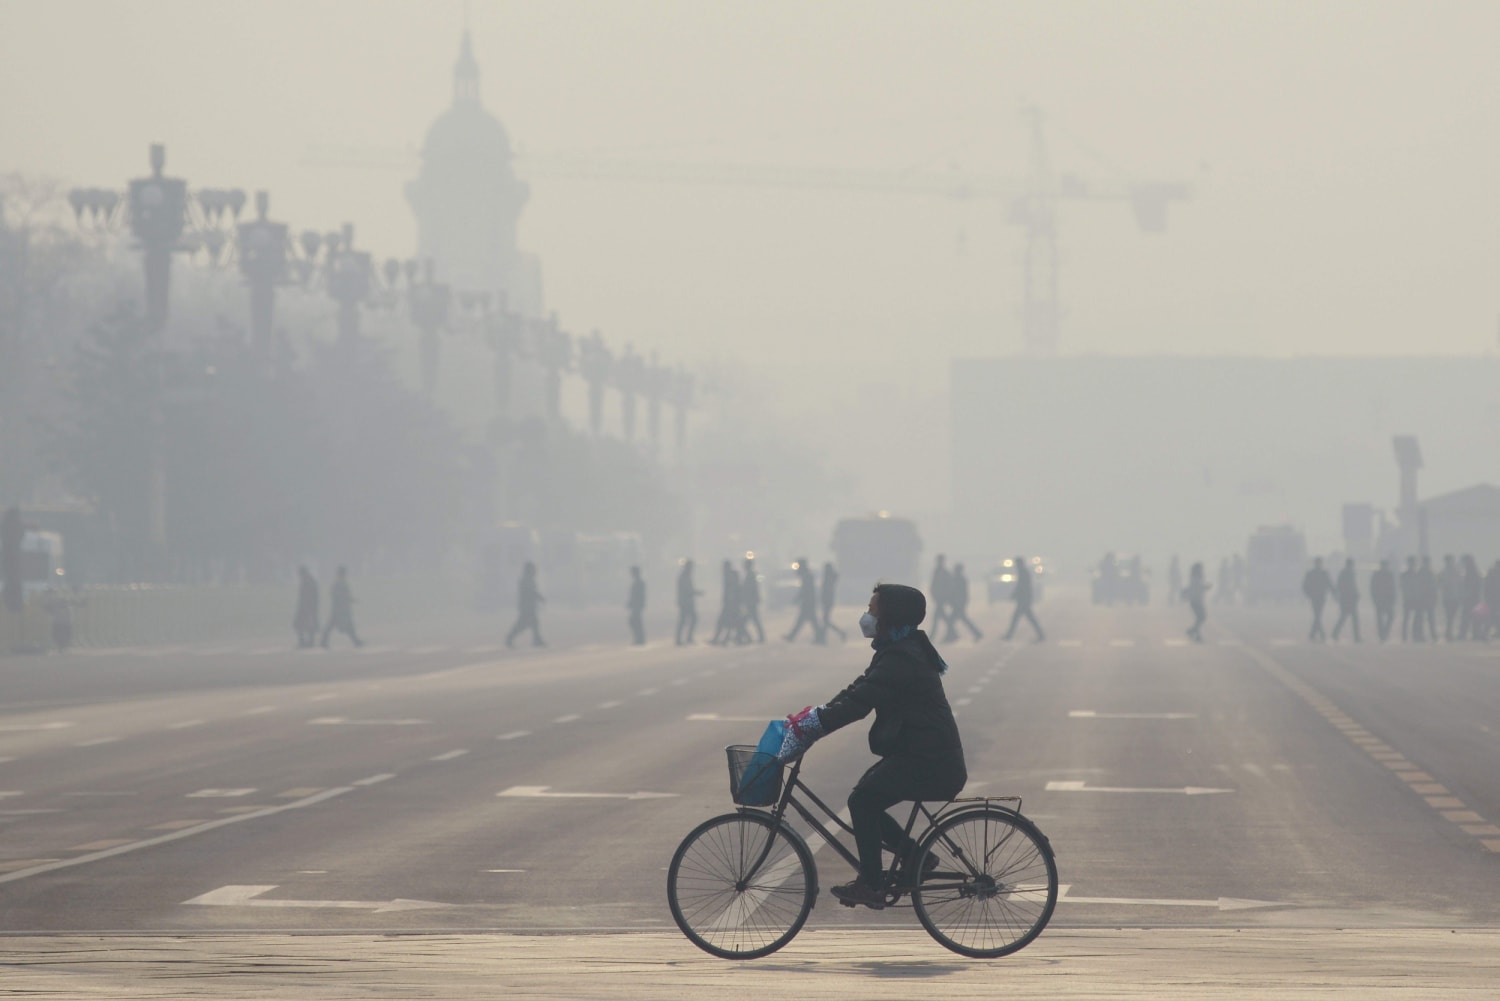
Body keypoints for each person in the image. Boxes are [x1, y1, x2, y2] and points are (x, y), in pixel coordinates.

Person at [774, 583, 966, 909]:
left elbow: (859, 704)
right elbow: (857, 690)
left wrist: (817, 727)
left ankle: (873, 883)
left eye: (873, 610)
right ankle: (916, 856)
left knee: (862, 802)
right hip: (922, 754)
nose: (867, 616)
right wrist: (817, 715)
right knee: (866, 798)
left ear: (889, 617)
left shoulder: (901, 658)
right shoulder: (897, 651)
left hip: (932, 761)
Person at [1002, 555, 1044, 642]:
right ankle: (1040, 634)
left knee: (1017, 618)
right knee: (1029, 618)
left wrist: (1014, 595)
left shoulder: (1023, 573)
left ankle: (1010, 635)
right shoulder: (1024, 572)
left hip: (1023, 600)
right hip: (1024, 599)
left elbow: (1021, 586)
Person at [505, 561, 545, 648]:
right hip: (526, 607)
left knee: (533, 623)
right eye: (533, 569)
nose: (535, 571)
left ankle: (536, 640)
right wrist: (539, 597)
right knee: (522, 624)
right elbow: (530, 592)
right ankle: (509, 638)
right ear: (529, 570)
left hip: (528, 607)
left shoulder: (528, 580)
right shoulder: (525, 580)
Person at [320, 566, 362, 648]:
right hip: (340, 610)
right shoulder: (340, 584)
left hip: (338, 609)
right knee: (345, 625)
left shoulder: (338, 583)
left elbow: (339, 595)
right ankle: (356, 641)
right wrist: (349, 600)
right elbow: (341, 596)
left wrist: (351, 600)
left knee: (334, 626)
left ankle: (324, 641)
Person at [784, 560, 824, 643]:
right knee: (809, 621)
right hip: (808, 602)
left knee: (806, 621)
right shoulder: (807, 575)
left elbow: (805, 590)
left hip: (808, 603)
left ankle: (820, 638)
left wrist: (797, 599)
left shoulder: (807, 576)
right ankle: (819, 638)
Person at [947, 563, 983, 641]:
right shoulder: (958, 579)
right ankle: (977, 633)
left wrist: (957, 602)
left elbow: (960, 593)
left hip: (959, 603)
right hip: (959, 603)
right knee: (962, 619)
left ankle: (952, 635)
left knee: (952, 620)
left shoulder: (959, 579)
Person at [1302, 557, 1334, 642]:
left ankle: (1313, 634)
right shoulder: (1315, 573)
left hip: (1320, 597)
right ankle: (1320, 634)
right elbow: (1305, 585)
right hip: (1317, 597)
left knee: (1317, 615)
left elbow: (1329, 584)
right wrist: (1309, 594)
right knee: (1317, 615)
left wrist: (1334, 593)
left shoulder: (1320, 573)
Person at [1331, 557, 1360, 643]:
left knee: (1344, 617)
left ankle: (1335, 633)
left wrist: (1337, 596)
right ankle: (1356, 637)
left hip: (1345, 599)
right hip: (1349, 599)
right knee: (1353, 618)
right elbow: (1352, 586)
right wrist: (1356, 594)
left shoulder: (1344, 573)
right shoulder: (1349, 573)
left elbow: (1338, 585)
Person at [675, 559, 701, 646]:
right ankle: (681, 638)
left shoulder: (686, 576)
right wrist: (696, 592)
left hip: (688, 602)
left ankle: (685, 637)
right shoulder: (683, 577)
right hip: (685, 602)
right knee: (685, 620)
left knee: (689, 620)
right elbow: (687, 590)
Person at [293, 565, 320, 649]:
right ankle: (308, 641)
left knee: (299, 624)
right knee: (307, 624)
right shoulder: (310, 580)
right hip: (309, 607)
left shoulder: (306, 581)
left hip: (306, 607)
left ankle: (304, 641)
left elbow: (306, 596)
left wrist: (305, 607)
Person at [739, 557, 764, 644]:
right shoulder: (750, 575)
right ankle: (760, 637)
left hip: (751, 602)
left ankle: (748, 637)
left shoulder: (751, 575)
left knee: (745, 620)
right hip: (751, 601)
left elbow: (751, 589)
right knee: (754, 619)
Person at [1370, 559, 1396, 642]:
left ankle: (1384, 633)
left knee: (1390, 616)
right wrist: (1374, 598)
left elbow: (1393, 588)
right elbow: (1373, 588)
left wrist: (1393, 599)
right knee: (1380, 618)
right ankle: (1382, 635)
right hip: (1380, 600)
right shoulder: (1377, 575)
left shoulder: (1389, 575)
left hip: (1387, 600)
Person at [1183, 562, 1210, 642]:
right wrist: (1205, 587)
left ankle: (1194, 632)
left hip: (1197, 600)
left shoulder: (1197, 577)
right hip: (1196, 601)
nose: (1202, 570)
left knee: (1200, 617)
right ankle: (1194, 632)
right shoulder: (1195, 578)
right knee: (1201, 617)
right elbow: (1198, 587)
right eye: (1200, 569)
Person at [820, 561, 846, 642]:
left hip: (827, 601)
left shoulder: (828, 578)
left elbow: (826, 591)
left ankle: (841, 633)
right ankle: (823, 638)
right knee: (825, 620)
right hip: (828, 601)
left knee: (825, 620)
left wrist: (822, 599)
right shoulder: (831, 578)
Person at [1439, 554, 1463, 641]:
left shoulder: (1455, 571)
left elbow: (1460, 584)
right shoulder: (1444, 572)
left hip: (1454, 598)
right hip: (1448, 598)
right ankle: (1448, 633)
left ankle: (1448, 632)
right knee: (1449, 616)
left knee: (1451, 616)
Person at [928, 554, 952, 639]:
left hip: (941, 598)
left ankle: (932, 636)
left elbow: (947, 586)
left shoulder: (944, 572)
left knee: (937, 617)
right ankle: (951, 632)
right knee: (940, 617)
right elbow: (933, 584)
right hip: (938, 598)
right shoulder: (938, 571)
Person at [1459, 555, 1482, 641]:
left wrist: (1466, 595)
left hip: (1470, 599)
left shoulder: (1470, 573)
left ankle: (1465, 634)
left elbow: (1470, 587)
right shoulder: (1473, 572)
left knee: (1467, 617)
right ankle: (1474, 633)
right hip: (1473, 599)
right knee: (1473, 617)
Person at [1399, 556, 1419, 642]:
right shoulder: (1404, 575)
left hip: (1415, 599)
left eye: (1413, 563)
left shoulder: (1417, 575)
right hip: (1408, 599)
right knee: (1406, 619)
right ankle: (1404, 636)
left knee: (1416, 619)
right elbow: (1402, 587)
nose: (1412, 565)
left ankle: (1415, 635)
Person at [627, 565, 646, 645]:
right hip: (636, 605)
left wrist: (639, 604)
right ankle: (640, 638)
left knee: (634, 621)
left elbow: (639, 595)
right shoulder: (637, 582)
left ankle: (639, 639)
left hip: (637, 606)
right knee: (636, 622)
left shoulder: (639, 583)